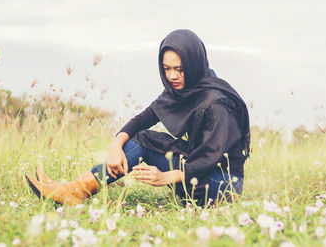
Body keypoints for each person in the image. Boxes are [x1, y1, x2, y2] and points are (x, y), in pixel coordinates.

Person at [25, 29, 250, 207]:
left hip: (221, 185)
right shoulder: (186, 87)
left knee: (147, 143)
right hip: (195, 171)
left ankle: (75, 191)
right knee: (143, 138)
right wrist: (116, 143)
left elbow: (208, 160)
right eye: (167, 68)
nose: (172, 76)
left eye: (180, 69)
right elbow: (145, 117)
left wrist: (166, 177)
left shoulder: (216, 103)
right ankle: (76, 189)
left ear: (194, 64)